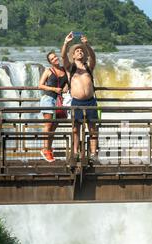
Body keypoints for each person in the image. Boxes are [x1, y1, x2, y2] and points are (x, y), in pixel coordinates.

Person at [61, 32, 98, 162]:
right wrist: (66, 43)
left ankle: (93, 154)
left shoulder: (88, 67)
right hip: (76, 102)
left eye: (81, 51)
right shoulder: (70, 68)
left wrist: (86, 45)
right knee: (75, 128)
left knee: (93, 128)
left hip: (90, 101)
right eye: (77, 51)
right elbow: (63, 56)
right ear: (73, 55)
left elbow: (93, 57)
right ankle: (75, 152)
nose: (80, 52)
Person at [38, 51, 69, 163]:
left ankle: (48, 148)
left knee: (55, 125)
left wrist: (66, 85)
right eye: (52, 58)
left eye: (55, 57)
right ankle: (46, 150)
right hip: (48, 99)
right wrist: (54, 89)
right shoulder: (48, 71)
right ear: (50, 62)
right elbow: (40, 86)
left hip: (58, 101)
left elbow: (67, 81)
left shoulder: (64, 69)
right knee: (48, 124)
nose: (55, 59)